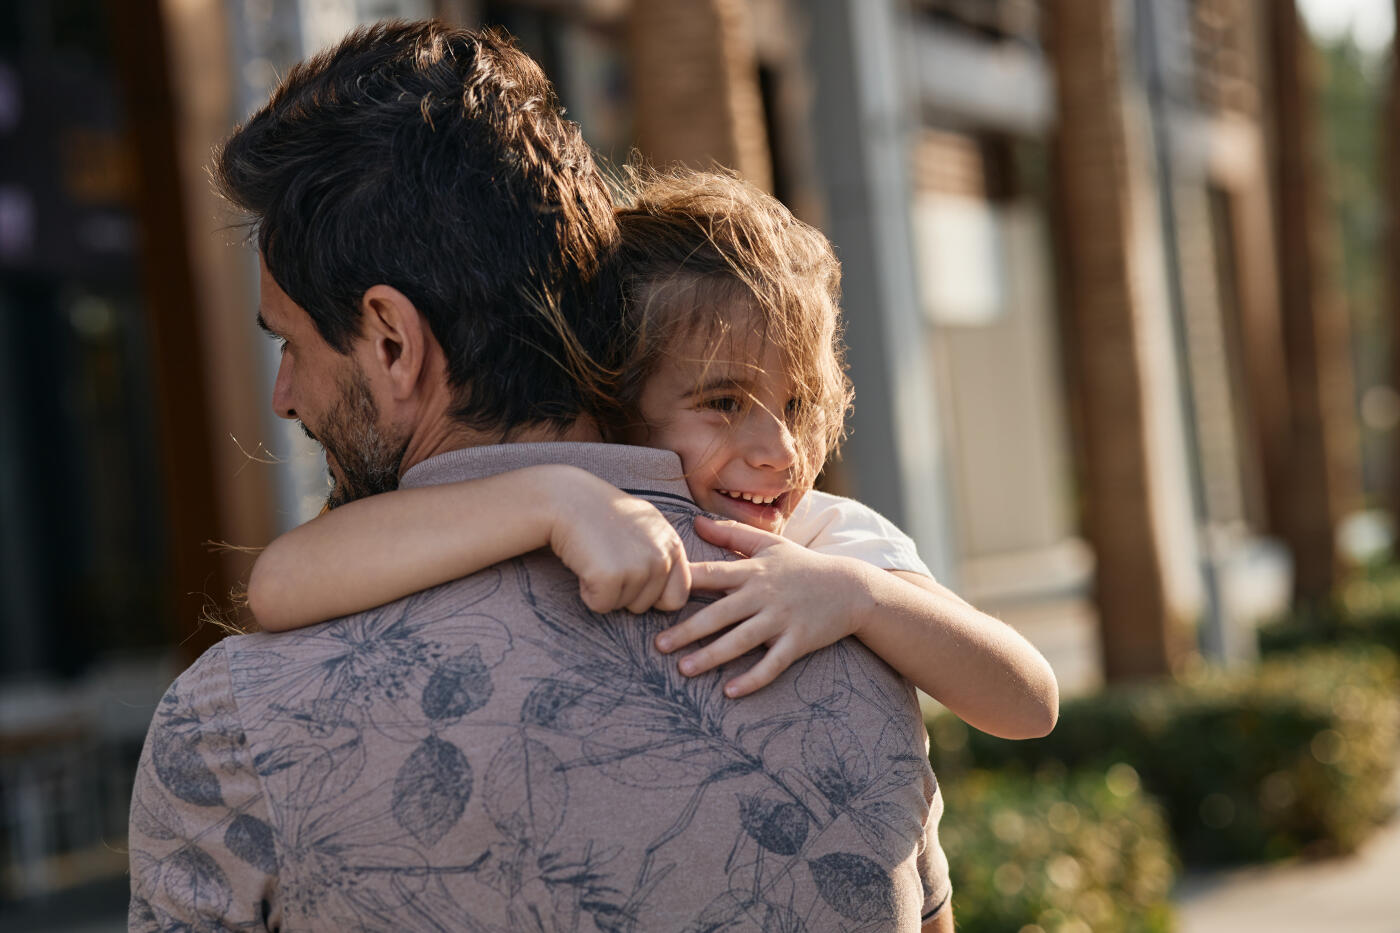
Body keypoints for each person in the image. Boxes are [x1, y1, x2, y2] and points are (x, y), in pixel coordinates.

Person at [128, 21, 960, 931]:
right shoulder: (853, 649)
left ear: (394, 341)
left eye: (292, 345)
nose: (285, 396)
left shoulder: (235, 726)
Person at [246, 169, 1060, 743]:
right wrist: (555, 500)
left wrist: (862, 599)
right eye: (721, 403)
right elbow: (281, 582)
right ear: (617, 401)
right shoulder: (544, 510)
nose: (780, 450)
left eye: (799, 406)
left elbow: (1029, 702)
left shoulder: (823, 542)